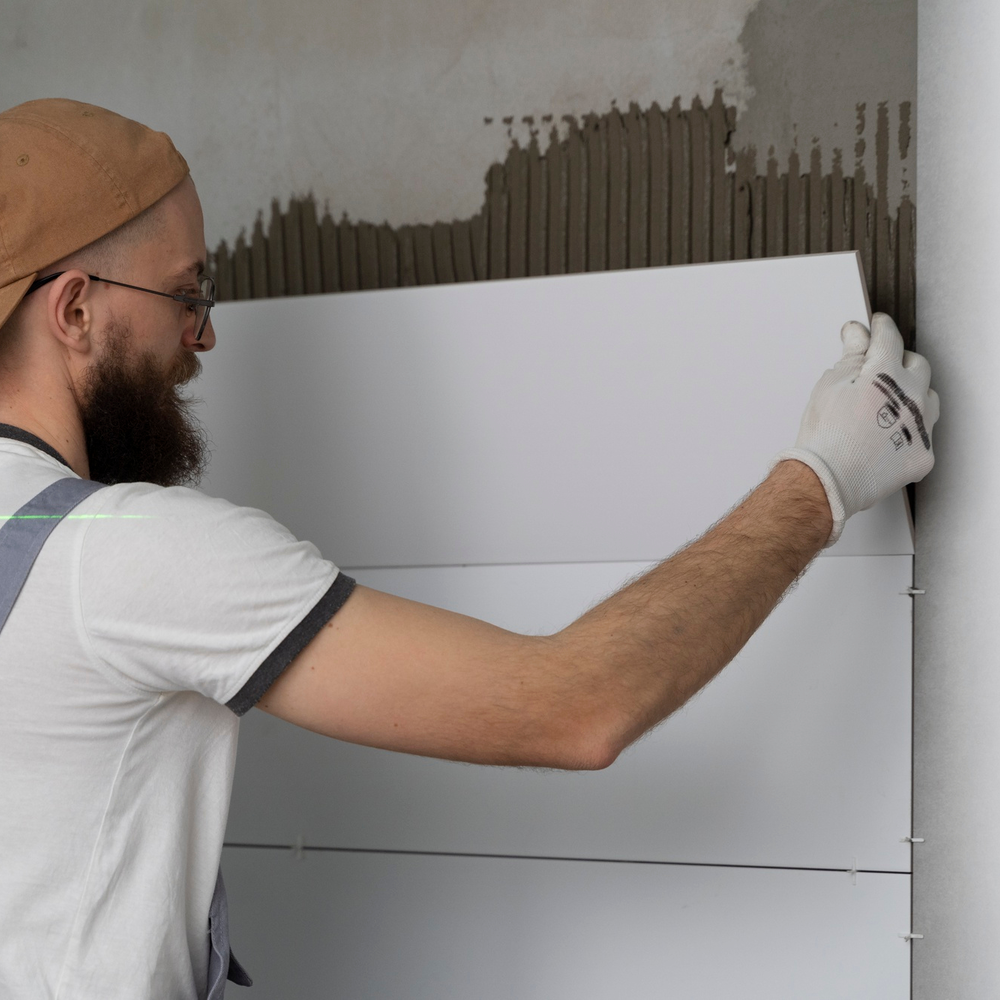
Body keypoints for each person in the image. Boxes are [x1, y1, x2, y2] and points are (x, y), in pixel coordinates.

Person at [0, 99, 939, 999]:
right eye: (184, 292)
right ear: (75, 309)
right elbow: (577, 708)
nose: (203, 334)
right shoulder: (121, 557)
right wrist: (824, 477)